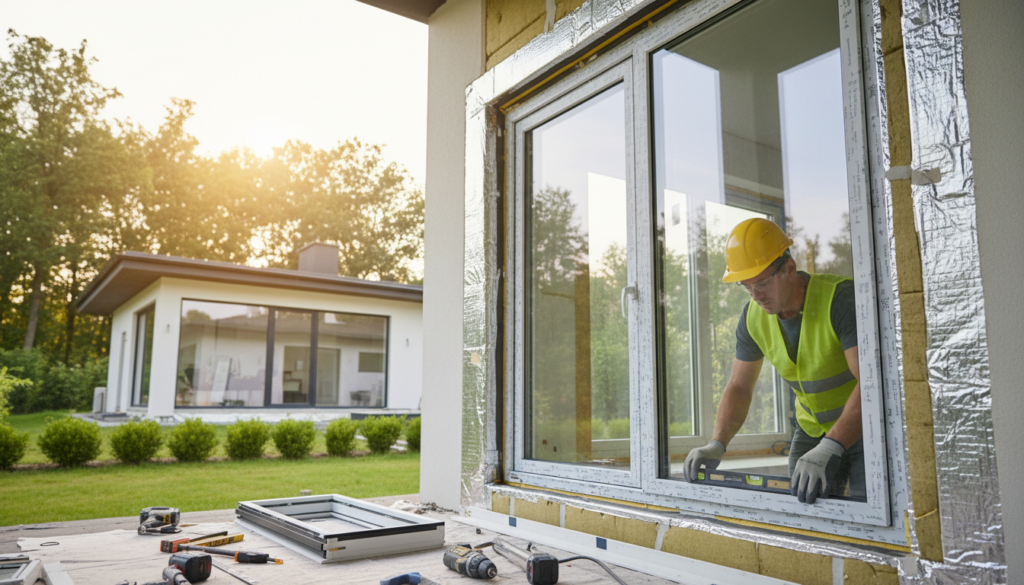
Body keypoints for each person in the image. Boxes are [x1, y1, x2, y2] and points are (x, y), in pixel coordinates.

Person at [682, 218, 865, 504]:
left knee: (868, 511)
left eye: (763, 283)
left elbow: (871, 385)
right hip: (811, 429)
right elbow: (739, 386)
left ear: (790, 269)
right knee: (803, 512)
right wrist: (717, 443)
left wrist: (833, 444)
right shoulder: (752, 317)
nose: (756, 296)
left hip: (864, 425)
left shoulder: (840, 300)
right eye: (747, 287)